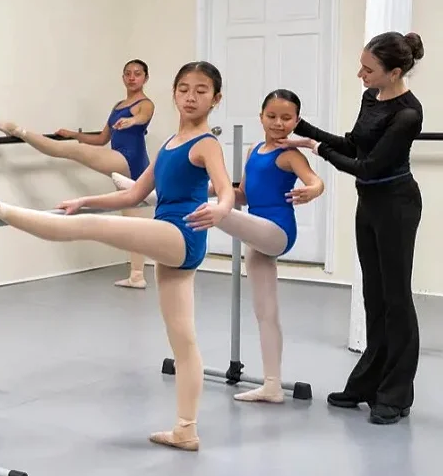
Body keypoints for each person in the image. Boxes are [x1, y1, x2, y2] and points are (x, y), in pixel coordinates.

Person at [0, 61, 236, 451]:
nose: (191, 97)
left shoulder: (206, 143)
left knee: (89, 228)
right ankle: (186, 430)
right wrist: (86, 200)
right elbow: (133, 194)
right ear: (174, 93)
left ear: (216, 99)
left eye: (201, 91)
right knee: (183, 341)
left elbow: (224, 189)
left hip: (182, 234)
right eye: (184, 88)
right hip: (168, 237)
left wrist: (221, 209)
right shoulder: (171, 145)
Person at [113, 89, 325, 403]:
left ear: (296, 121)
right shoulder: (254, 150)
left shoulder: (291, 155)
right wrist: (213, 190)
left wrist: (314, 190)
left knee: (215, 213)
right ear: (261, 117)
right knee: (265, 312)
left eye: (286, 118)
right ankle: (272, 385)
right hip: (256, 232)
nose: (278, 123)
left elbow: (314, 180)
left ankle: (151, 195)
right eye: (272, 116)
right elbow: (242, 194)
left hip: (277, 232)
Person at [279, 31, 424, 425]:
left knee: (396, 299)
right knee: (374, 297)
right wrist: (305, 130)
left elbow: (369, 167)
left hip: (396, 206)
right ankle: (368, 384)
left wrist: (317, 149)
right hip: (370, 205)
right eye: (362, 66)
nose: (361, 74)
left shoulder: (408, 114)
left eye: (368, 69)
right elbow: (354, 145)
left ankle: (396, 394)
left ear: (395, 73)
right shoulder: (371, 97)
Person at [0, 60, 155, 289]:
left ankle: (20, 131)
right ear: (122, 77)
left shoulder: (144, 104)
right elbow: (101, 139)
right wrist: (73, 134)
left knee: (70, 151)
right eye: (128, 73)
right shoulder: (118, 106)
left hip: (131, 160)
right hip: (122, 161)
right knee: (132, 224)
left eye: (137, 74)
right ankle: (137, 276)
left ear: (145, 78)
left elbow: (143, 117)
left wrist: (132, 121)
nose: (132, 77)